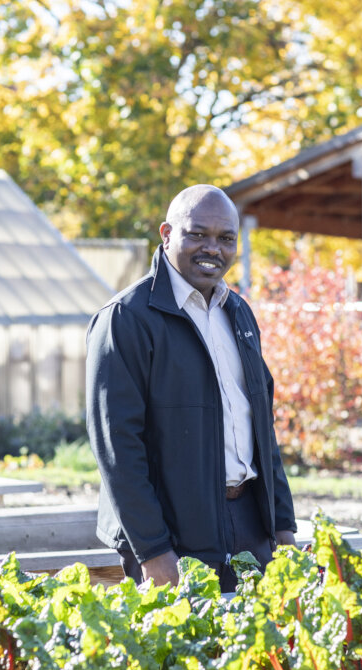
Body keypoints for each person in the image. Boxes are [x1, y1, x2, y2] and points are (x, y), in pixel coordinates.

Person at [85, 184, 297, 592]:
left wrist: (283, 524)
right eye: (197, 234)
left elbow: (262, 429)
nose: (212, 248)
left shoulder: (238, 313)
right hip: (171, 536)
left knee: (252, 652)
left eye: (225, 238)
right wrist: (152, 549)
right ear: (167, 235)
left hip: (249, 523)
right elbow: (117, 448)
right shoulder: (126, 320)